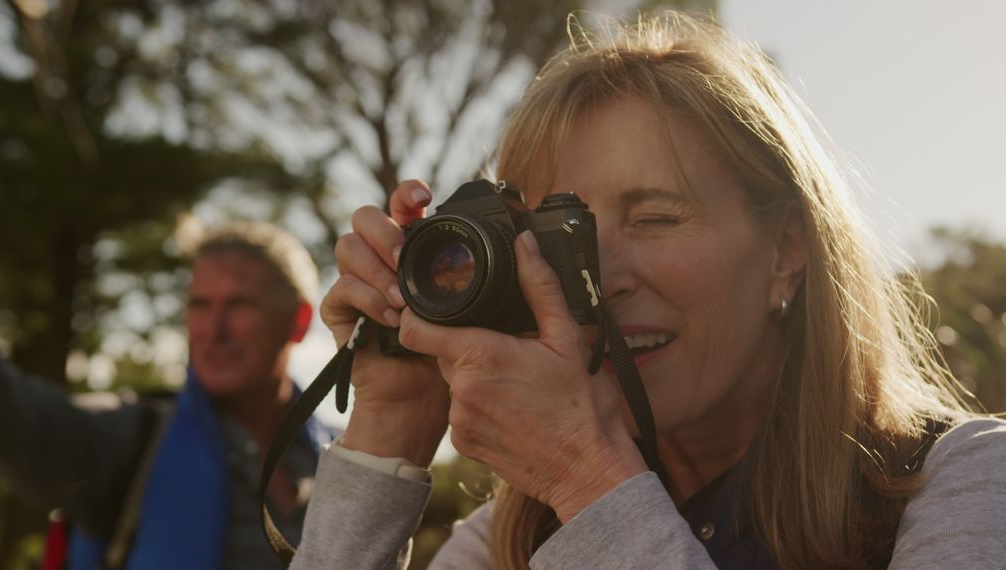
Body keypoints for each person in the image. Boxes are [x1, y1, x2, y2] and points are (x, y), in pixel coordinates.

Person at [292, 12, 1006, 569]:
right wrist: (389, 428)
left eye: (657, 217)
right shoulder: (513, 540)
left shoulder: (964, 482)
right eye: (560, 233)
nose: (597, 276)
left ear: (787, 251)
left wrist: (587, 482)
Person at [0, 218, 332, 569]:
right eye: (200, 305)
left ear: (297, 321)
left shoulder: (350, 459)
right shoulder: (135, 438)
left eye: (239, 305)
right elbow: (19, 419)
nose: (213, 330)